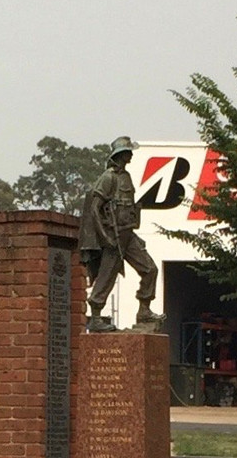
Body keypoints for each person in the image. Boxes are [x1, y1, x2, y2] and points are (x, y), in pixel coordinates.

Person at [78, 136, 164, 332]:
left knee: (150, 269)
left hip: (128, 234)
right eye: (128, 151)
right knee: (107, 275)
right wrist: (104, 236)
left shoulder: (126, 176)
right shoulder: (108, 177)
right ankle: (97, 316)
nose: (131, 154)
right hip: (113, 236)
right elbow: (94, 208)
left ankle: (144, 310)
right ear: (120, 154)